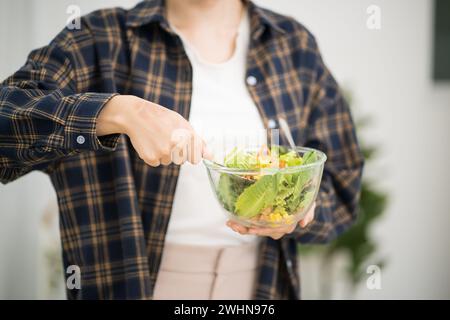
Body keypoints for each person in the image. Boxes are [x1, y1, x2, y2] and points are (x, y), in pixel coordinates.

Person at [0, 0, 364, 299]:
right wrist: (116, 112)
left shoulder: (293, 45)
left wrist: (300, 204)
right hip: (134, 286)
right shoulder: (98, 40)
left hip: (261, 287)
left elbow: (341, 184)